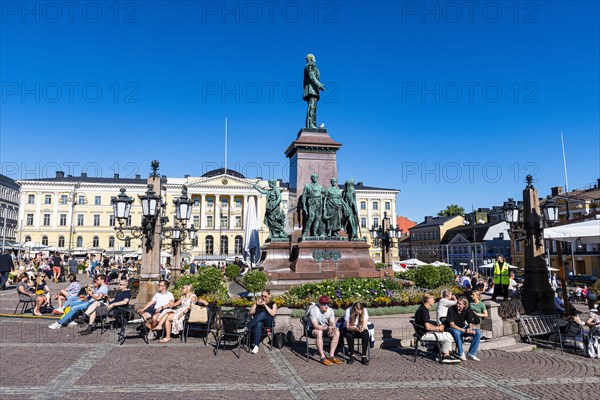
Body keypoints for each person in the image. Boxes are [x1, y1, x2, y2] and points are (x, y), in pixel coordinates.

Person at [414, 293, 459, 364]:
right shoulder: (424, 311)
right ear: (428, 300)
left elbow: (427, 324)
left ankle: (440, 351)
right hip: (423, 334)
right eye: (433, 299)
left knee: (446, 334)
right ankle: (445, 355)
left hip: (421, 332)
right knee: (449, 336)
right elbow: (427, 327)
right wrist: (438, 328)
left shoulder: (422, 308)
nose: (434, 301)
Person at [307, 295, 343, 366]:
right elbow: (316, 326)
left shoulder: (330, 310)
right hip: (312, 329)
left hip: (325, 328)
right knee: (319, 332)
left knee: (337, 333)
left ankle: (331, 356)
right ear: (319, 304)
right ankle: (322, 357)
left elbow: (332, 321)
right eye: (324, 304)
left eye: (328, 304)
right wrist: (327, 328)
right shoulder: (314, 310)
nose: (326, 306)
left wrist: (332, 327)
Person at [445, 297, 482, 361]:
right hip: (452, 328)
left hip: (463, 327)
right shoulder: (451, 309)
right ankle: (461, 353)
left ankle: (471, 353)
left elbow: (470, 321)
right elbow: (452, 324)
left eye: (460, 304)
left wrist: (470, 329)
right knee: (457, 332)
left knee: (478, 332)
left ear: (464, 305)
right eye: (457, 303)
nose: (457, 305)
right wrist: (463, 330)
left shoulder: (467, 310)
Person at [248, 289, 277, 354]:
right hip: (260, 323)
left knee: (263, 314)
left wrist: (265, 306)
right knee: (258, 324)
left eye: (265, 296)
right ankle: (256, 346)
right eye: (262, 296)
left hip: (268, 322)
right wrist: (255, 304)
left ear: (269, 296)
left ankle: (248, 327)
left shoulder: (272, 303)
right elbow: (250, 313)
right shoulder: (258, 303)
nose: (263, 297)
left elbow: (273, 313)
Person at [303, 53, 326, 129]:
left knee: (313, 107)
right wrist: (319, 85)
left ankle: (312, 124)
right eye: (314, 58)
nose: (315, 59)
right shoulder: (310, 65)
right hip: (311, 90)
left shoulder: (310, 66)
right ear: (311, 58)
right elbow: (311, 76)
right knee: (312, 107)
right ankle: (310, 124)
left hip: (312, 89)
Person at [302, 173, 324, 238]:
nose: (315, 179)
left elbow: (325, 192)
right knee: (311, 217)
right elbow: (304, 196)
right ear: (311, 178)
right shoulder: (307, 186)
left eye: (317, 177)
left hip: (319, 202)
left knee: (317, 218)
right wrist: (304, 206)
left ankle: (314, 232)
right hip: (311, 202)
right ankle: (305, 233)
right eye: (314, 177)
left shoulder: (320, 186)